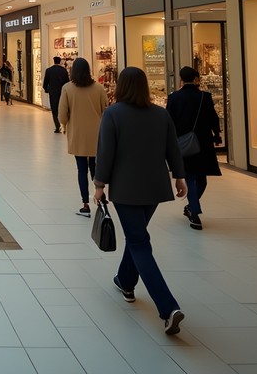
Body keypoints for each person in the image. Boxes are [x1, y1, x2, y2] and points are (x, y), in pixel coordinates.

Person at [94, 66, 187, 336]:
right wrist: (179, 177)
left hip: (126, 189)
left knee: (139, 242)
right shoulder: (160, 114)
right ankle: (125, 280)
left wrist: (99, 185)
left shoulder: (113, 114)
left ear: (121, 87)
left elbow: (105, 152)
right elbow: (173, 148)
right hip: (155, 188)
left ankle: (168, 308)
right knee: (137, 236)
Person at [165, 66, 222, 231]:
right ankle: (193, 210)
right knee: (202, 178)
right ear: (196, 78)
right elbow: (213, 117)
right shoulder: (205, 97)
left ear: (180, 79)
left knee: (189, 176)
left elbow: (169, 122)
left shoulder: (174, 98)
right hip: (203, 142)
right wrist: (217, 135)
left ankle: (193, 209)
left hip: (183, 143)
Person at [58, 58, 108, 217]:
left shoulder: (67, 88)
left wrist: (64, 124)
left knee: (81, 169)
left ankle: (85, 204)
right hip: (96, 134)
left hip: (77, 134)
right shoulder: (99, 88)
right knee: (95, 167)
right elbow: (105, 110)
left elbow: (62, 114)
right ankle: (100, 198)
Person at [43, 56, 70, 133]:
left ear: (54, 61)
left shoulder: (49, 70)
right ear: (60, 61)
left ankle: (57, 126)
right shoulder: (64, 70)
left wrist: (46, 89)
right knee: (63, 108)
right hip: (62, 92)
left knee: (54, 110)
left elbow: (45, 82)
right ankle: (64, 125)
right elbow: (67, 82)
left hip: (53, 92)